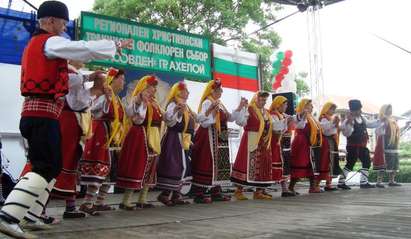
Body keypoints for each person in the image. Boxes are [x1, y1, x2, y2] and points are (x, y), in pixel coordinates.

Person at [0, 1, 131, 238]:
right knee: (45, 166)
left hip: (39, 113)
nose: (64, 28)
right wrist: (115, 45)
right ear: (50, 21)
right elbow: (81, 48)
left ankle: (30, 215)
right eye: (62, 23)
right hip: (41, 114)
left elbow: (59, 80)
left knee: (52, 166)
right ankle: (8, 217)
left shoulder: (38, 46)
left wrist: (87, 77)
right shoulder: (49, 42)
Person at [191, 79, 247, 203]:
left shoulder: (220, 103)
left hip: (221, 135)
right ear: (213, 91)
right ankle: (200, 193)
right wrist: (212, 111)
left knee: (221, 162)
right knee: (208, 162)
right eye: (219, 90)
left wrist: (240, 107)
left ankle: (216, 191)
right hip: (209, 135)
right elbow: (203, 121)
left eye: (221, 90)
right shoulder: (207, 102)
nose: (221, 92)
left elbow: (229, 118)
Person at [79, 68, 126, 215]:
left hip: (112, 136)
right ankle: (87, 203)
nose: (123, 82)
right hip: (100, 133)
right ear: (114, 80)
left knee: (110, 170)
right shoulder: (102, 95)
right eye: (122, 79)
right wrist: (106, 98)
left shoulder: (116, 99)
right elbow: (95, 110)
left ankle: (99, 202)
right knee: (99, 168)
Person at [116, 75, 162, 209]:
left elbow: (164, 117)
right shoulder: (136, 100)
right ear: (143, 88)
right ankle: (126, 200)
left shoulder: (154, 102)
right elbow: (136, 118)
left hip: (152, 136)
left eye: (153, 87)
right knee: (137, 166)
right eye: (150, 87)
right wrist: (141, 102)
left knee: (150, 166)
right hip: (140, 135)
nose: (153, 90)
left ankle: (143, 199)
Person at [157, 81, 196, 206]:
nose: (188, 93)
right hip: (174, 138)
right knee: (176, 166)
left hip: (184, 138)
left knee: (184, 166)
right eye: (186, 91)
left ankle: (176, 195)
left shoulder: (186, 105)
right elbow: (170, 122)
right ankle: (164, 195)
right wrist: (178, 112)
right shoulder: (173, 104)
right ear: (179, 92)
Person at [231, 92, 276, 200]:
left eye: (264, 100)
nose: (263, 102)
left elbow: (272, 125)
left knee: (261, 166)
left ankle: (258, 192)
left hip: (263, 142)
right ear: (255, 99)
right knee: (245, 164)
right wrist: (244, 110)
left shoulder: (266, 112)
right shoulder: (250, 109)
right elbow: (240, 122)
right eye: (261, 100)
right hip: (251, 140)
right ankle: (238, 191)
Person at [341, 99, 381, 189]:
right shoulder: (348, 120)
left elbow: (370, 124)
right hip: (352, 146)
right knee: (350, 163)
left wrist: (379, 121)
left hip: (362, 145)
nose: (361, 111)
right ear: (353, 110)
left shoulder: (362, 118)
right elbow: (346, 133)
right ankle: (341, 181)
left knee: (366, 161)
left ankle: (363, 182)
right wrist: (349, 123)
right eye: (359, 109)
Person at [289, 99, 323, 194]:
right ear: (304, 107)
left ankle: (312, 187)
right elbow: (299, 126)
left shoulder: (312, 118)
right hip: (301, 144)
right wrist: (303, 116)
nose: (312, 107)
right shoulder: (299, 116)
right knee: (300, 164)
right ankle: (291, 187)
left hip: (310, 144)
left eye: (311, 106)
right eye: (309, 105)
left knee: (312, 165)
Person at [269, 96, 296, 197]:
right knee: (281, 164)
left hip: (286, 143)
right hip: (278, 143)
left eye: (286, 104)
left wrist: (291, 119)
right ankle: (284, 189)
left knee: (286, 164)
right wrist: (286, 121)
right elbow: (276, 128)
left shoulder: (283, 115)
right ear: (278, 105)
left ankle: (286, 188)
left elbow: (295, 123)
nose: (286, 106)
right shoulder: (273, 115)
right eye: (284, 104)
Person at [373, 104, 401, 188]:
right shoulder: (382, 120)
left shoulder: (393, 120)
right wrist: (383, 124)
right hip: (385, 144)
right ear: (384, 110)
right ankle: (379, 181)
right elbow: (377, 132)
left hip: (394, 144)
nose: (390, 110)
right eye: (388, 109)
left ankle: (391, 180)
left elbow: (397, 133)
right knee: (383, 162)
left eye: (391, 108)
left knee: (394, 162)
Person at [318, 102, 341, 191]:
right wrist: (333, 123)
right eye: (331, 109)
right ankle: (317, 184)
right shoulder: (323, 118)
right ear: (326, 108)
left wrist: (335, 123)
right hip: (327, 141)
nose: (332, 111)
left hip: (332, 141)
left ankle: (329, 183)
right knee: (326, 161)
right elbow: (325, 130)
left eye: (333, 109)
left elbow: (334, 129)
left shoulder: (330, 118)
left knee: (332, 161)